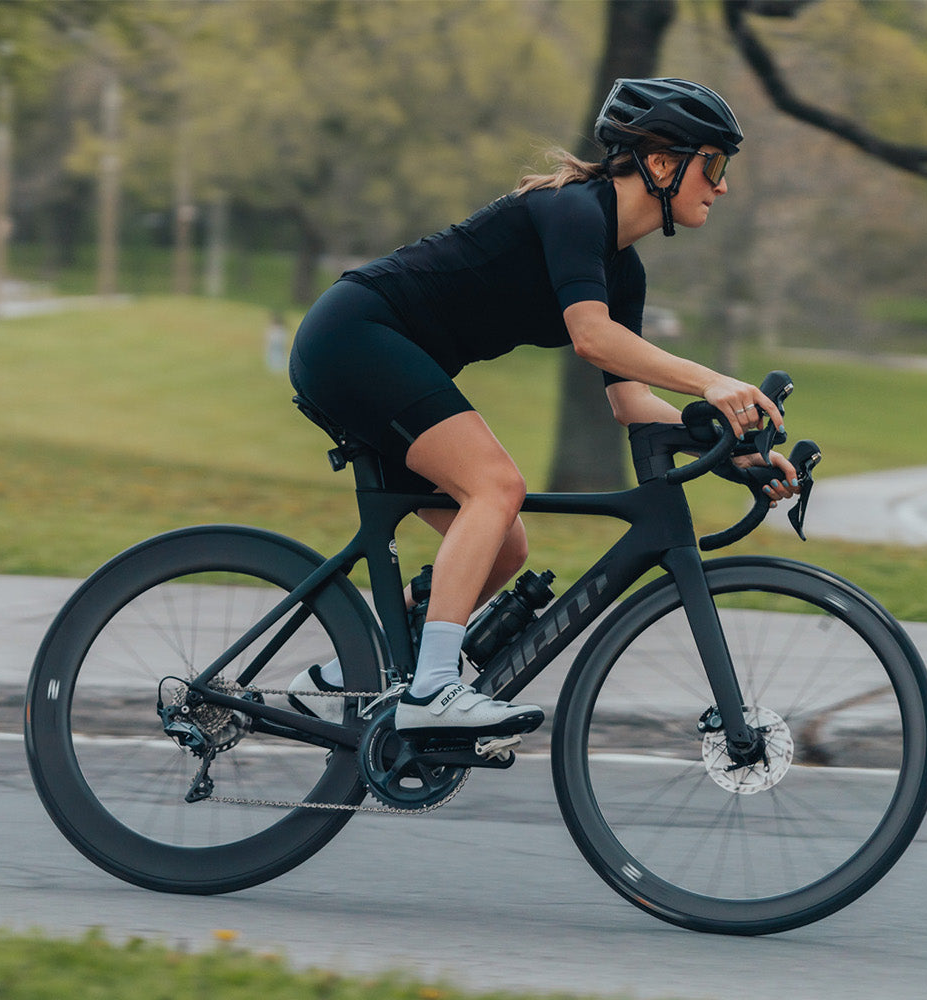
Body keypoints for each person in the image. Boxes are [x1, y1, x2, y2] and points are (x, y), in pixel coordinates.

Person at [287, 78, 800, 740]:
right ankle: (433, 689)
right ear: (661, 163)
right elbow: (592, 337)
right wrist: (711, 383)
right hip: (355, 335)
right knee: (496, 487)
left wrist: (731, 453)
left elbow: (631, 402)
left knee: (504, 545)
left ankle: (339, 677)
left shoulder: (624, 272)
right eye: (715, 164)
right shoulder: (574, 211)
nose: (722, 186)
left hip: (382, 356)